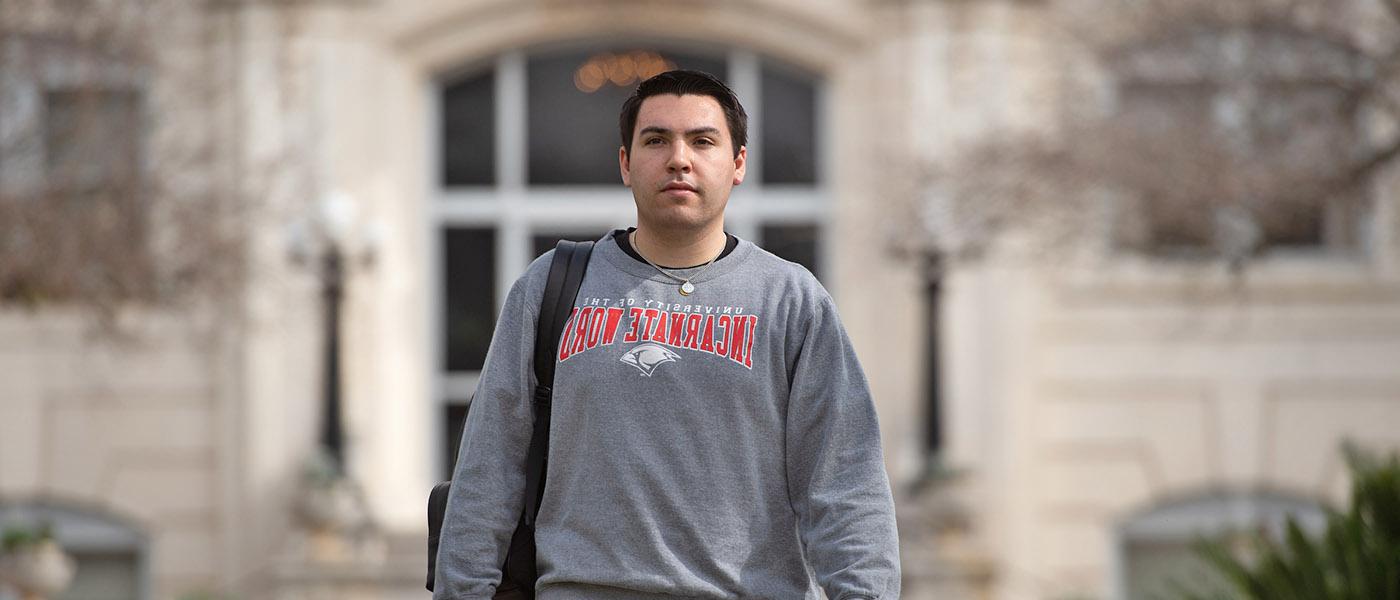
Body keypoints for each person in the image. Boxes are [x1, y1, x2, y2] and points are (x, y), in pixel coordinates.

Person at [434, 69, 900, 600]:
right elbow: (488, 468)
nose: (680, 158)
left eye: (703, 141)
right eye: (656, 140)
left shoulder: (791, 299)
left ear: (738, 163)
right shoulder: (552, 285)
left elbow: (845, 484)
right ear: (626, 164)